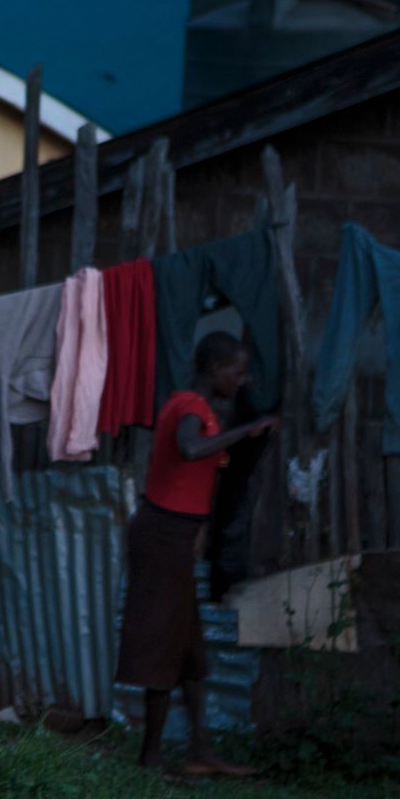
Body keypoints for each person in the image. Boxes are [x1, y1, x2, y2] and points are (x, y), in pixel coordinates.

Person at [116, 331, 278, 773]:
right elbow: (189, 448)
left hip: (175, 537)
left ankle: (199, 750)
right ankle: (150, 757)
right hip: (162, 535)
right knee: (164, 641)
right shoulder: (189, 408)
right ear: (214, 370)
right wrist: (245, 430)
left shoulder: (195, 407)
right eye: (237, 372)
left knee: (189, 647)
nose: (241, 381)